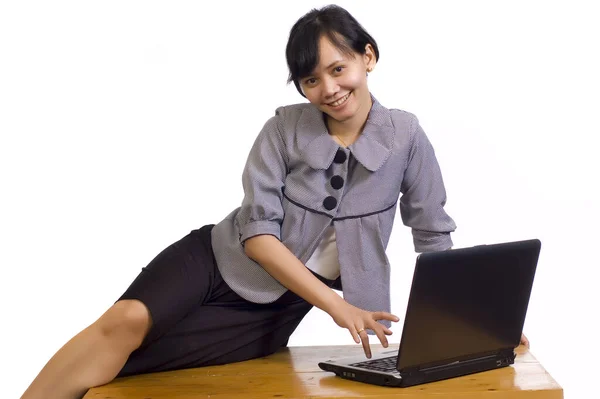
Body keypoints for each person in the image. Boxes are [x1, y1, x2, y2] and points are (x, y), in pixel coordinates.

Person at [21, 4, 528, 399]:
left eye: (339, 68)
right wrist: (337, 305)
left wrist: (476, 327)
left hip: (276, 308)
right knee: (126, 323)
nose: (328, 89)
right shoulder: (283, 127)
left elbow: (432, 233)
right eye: (311, 80)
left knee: (141, 366)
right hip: (215, 262)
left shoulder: (407, 136)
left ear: (367, 57)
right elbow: (258, 236)